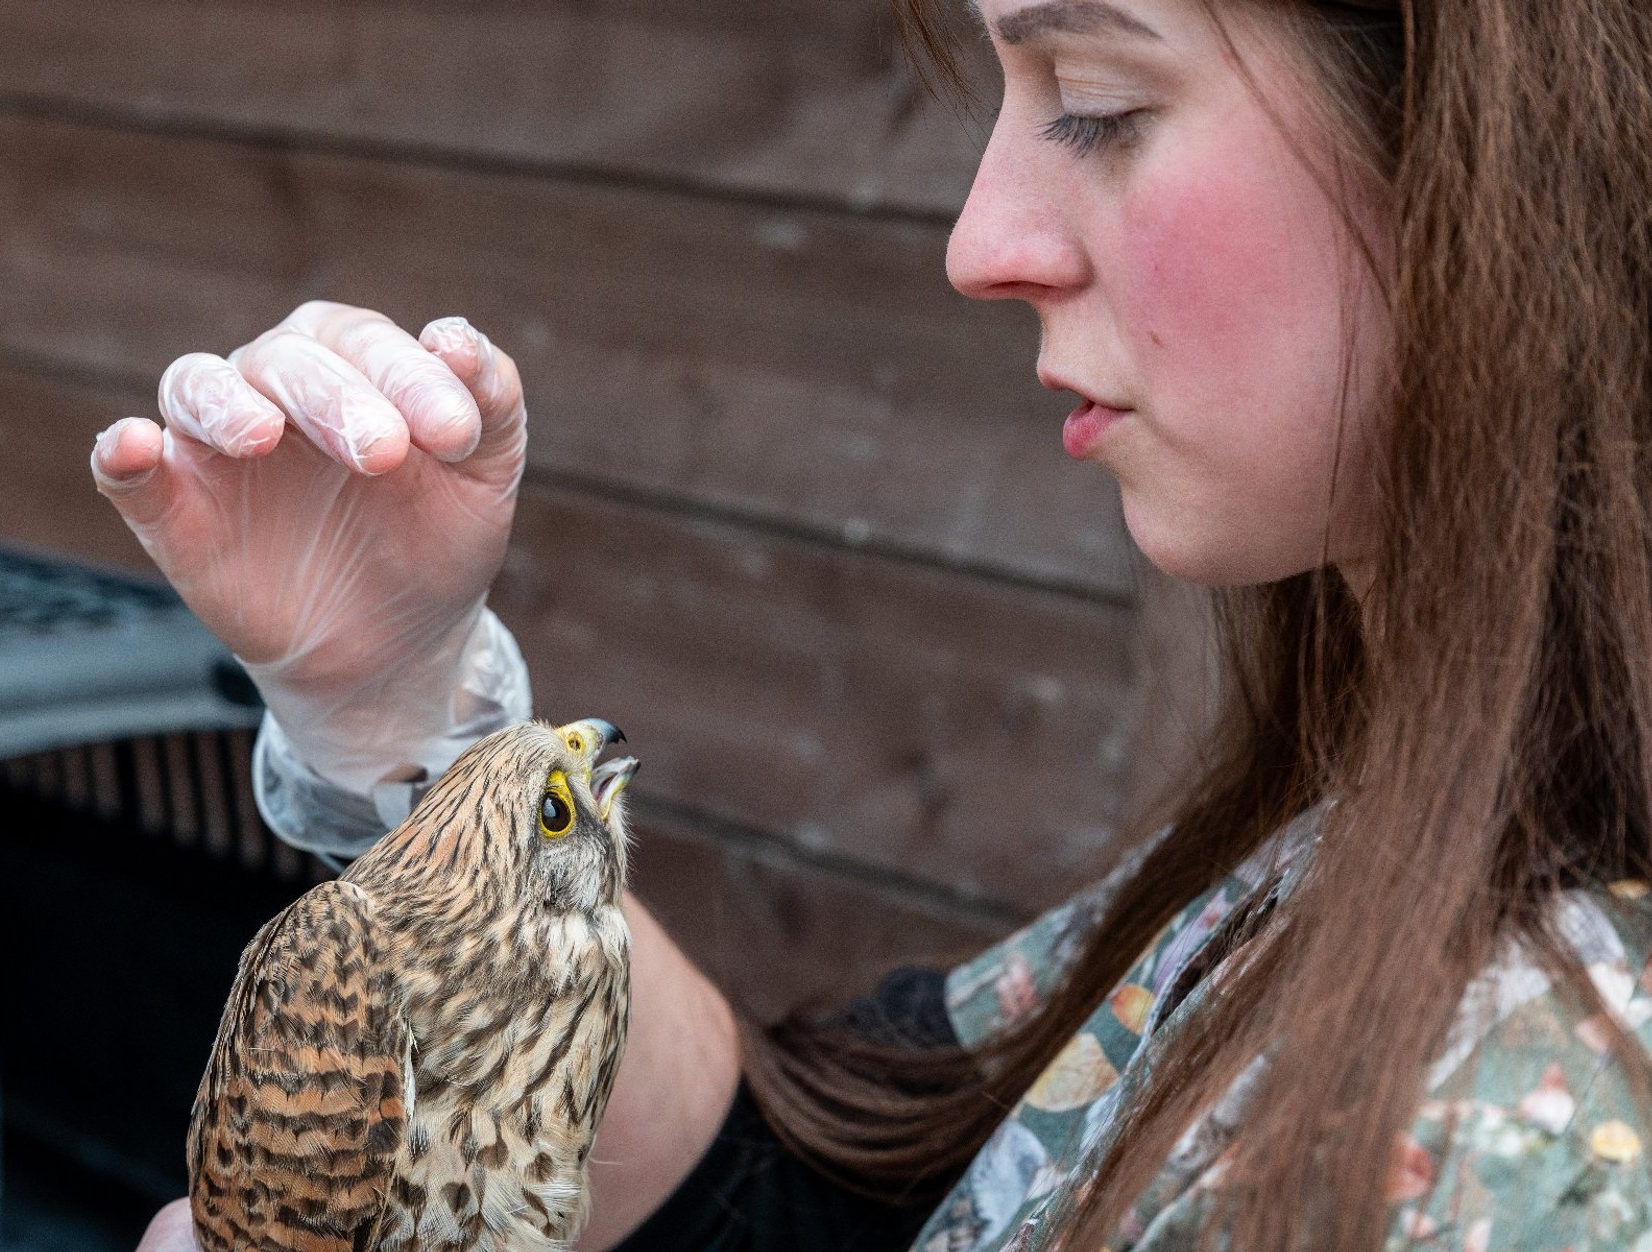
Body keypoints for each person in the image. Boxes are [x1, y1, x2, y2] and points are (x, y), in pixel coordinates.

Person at [99, 0, 1652, 1247]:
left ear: (1486, 144)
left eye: (1099, 101)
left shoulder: (1545, 1124)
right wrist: (403, 707)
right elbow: (821, 1191)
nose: (983, 241)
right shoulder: (1375, 819)